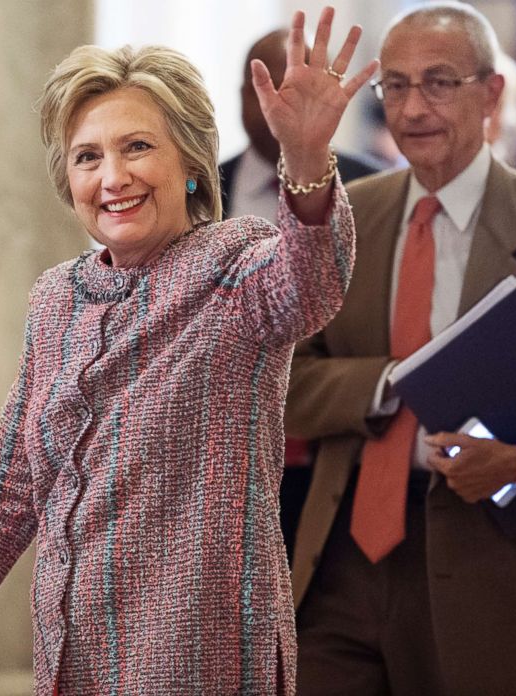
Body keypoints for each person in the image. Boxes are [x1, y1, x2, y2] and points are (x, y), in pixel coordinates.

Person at [0, 8, 378, 695]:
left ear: (192, 166)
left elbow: (310, 285)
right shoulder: (56, 298)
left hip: (201, 656)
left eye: (137, 147)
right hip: (71, 655)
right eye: (88, 156)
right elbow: (12, 482)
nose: (113, 177)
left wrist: (308, 158)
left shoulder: (235, 265)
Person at [283, 3, 516, 695]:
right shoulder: (346, 218)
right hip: (337, 564)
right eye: (394, 86)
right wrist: (390, 382)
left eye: (438, 82)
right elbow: (279, 381)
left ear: (491, 94)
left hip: (486, 573)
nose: (413, 107)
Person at [219, 27, 378, 565]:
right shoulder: (192, 189)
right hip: (218, 454)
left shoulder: (366, 187)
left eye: (292, 88)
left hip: (332, 447)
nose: (276, 105)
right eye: (261, 86)